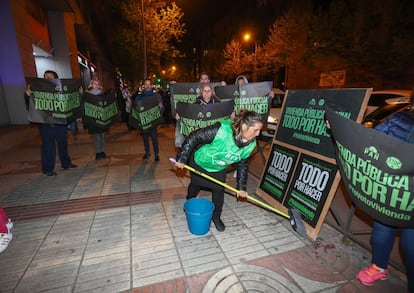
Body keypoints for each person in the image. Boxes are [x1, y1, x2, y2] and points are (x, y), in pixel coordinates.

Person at [356, 92, 414, 293]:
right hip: (391, 190)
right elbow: (371, 139)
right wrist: (340, 129)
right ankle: (378, 266)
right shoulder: (399, 118)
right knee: (381, 232)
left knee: (410, 245)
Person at [174, 110, 263, 232]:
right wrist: (183, 157)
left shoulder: (251, 145)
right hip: (200, 161)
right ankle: (190, 203)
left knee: (219, 190)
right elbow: (194, 136)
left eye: (259, 130)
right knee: (195, 184)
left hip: (218, 168)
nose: (258, 134)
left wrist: (241, 187)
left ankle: (216, 217)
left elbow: (243, 164)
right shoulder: (221, 130)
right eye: (255, 130)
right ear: (244, 126)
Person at [24, 70, 77, 176]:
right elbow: (30, 104)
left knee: (63, 144)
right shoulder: (38, 89)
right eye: (45, 77)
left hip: (60, 123)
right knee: (48, 146)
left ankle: (66, 163)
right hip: (46, 124)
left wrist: (78, 93)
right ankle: (47, 168)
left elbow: (70, 101)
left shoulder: (61, 89)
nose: (46, 79)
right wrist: (28, 94)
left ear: (55, 79)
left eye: (49, 77)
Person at [135, 78, 163, 162]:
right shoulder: (139, 97)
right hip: (144, 122)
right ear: (144, 86)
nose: (147, 86)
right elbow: (136, 108)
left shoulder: (156, 96)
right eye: (146, 84)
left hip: (153, 122)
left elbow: (161, 108)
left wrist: (161, 107)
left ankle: (156, 154)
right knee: (145, 138)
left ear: (151, 86)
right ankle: (147, 152)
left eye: (149, 84)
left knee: (154, 139)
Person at [83, 78, 108, 160]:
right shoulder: (88, 95)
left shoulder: (101, 95)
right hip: (93, 118)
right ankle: (98, 153)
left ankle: (102, 151)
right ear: (91, 85)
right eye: (94, 84)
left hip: (101, 118)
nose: (96, 85)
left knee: (102, 136)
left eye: (97, 84)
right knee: (96, 136)